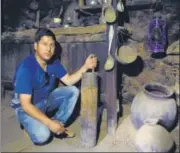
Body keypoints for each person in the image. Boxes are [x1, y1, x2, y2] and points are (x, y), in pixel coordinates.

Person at [11, 28, 97, 146]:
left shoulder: (53, 62)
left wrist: (86, 66)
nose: (48, 49)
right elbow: (25, 105)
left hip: (45, 101)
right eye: (44, 44)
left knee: (73, 91)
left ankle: (58, 124)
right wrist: (49, 123)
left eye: (52, 45)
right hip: (26, 109)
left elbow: (69, 81)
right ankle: (30, 126)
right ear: (35, 46)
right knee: (43, 136)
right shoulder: (26, 67)